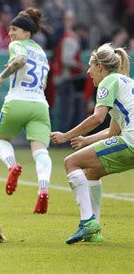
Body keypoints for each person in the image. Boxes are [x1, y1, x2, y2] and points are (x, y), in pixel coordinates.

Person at [50, 43, 133, 244]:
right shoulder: (126, 82)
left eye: (90, 66)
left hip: (131, 141)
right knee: (92, 172)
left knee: (71, 163)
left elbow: (97, 118)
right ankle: (94, 232)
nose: (88, 72)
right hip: (129, 138)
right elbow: (113, 131)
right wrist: (86, 140)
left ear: (100, 66)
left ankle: (87, 223)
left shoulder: (108, 82)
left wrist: (66, 135)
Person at [0, 7, 52, 214]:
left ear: (26, 33)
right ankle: (43, 191)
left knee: (0, 141)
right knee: (41, 151)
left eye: (14, 29)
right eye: (10, 30)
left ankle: (12, 166)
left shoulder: (17, 45)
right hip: (40, 105)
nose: (10, 34)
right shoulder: (42, 53)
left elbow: (20, 60)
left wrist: (0, 77)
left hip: (18, 101)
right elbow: (43, 85)